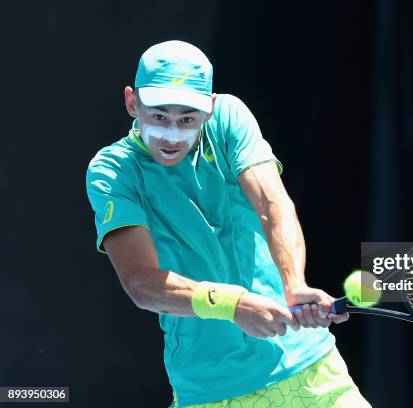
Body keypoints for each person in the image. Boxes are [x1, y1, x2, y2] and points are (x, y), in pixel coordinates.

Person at [85, 40, 371, 408]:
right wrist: (233, 305)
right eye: (159, 116)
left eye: (187, 118)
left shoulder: (228, 118)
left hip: (312, 374)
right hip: (211, 392)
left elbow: (272, 203)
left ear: (210, 109)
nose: (171, 134)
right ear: (132, 103)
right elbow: (140, 283)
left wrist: (294, 284)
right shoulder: (112, 171)